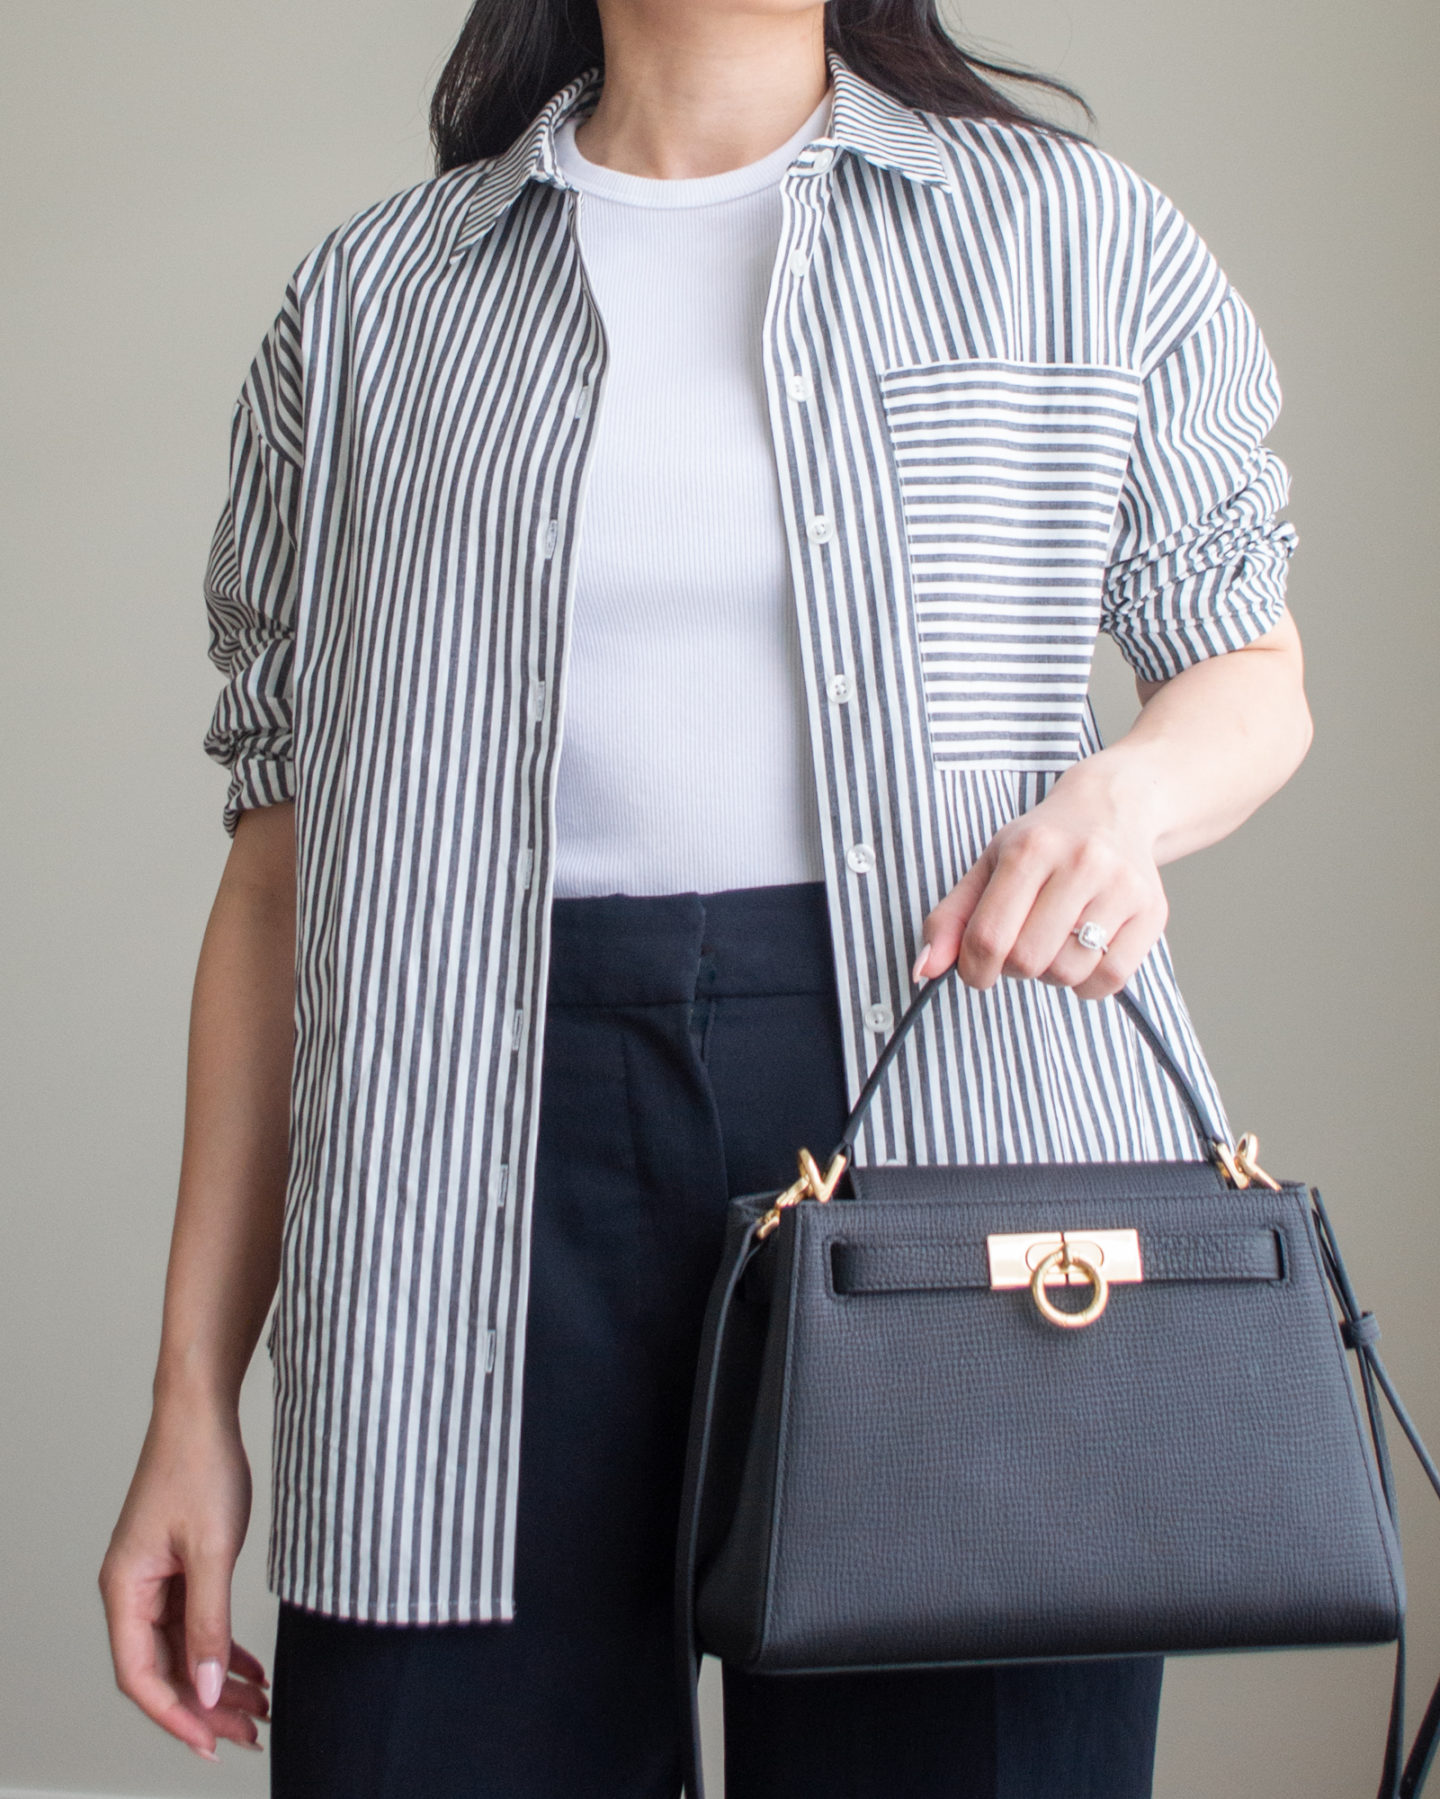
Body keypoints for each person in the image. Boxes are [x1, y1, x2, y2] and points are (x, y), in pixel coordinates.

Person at [99, 0, 1313, 1793]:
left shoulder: (1078, 238)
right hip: (461, 1198)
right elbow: (279, 881)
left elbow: (1254, 673)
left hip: (956, 1135)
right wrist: (193, 1400)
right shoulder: (367, 308)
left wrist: (1124, 802)